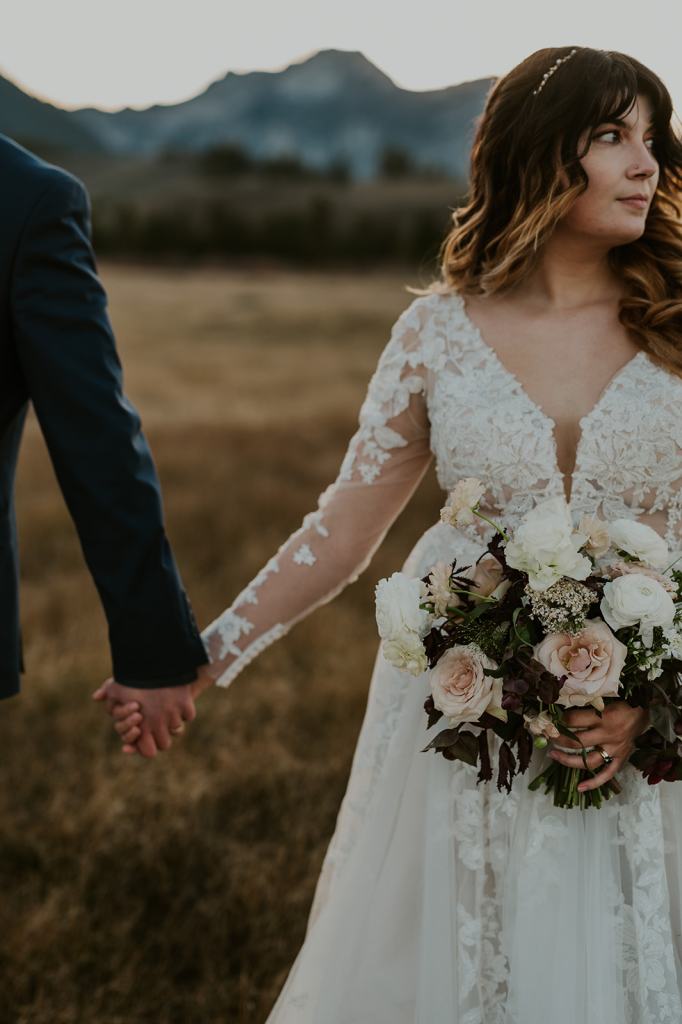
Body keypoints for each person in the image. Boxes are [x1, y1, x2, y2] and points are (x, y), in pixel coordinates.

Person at [101, 46, 682, 1021]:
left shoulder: (676, 322)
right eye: (610, 136)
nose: (646, 163)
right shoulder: (438, 335)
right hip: (471, 729)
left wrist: (652, 705)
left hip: (650, 739)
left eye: (653, 139)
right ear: (540, 154)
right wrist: (197, 660)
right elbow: (340, 533)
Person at [0, 131, 212, 757]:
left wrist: (153, 649)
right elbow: (96, 437)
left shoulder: (25, 202)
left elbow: (93, 438)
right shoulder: (26, 198)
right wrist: (155, 656)